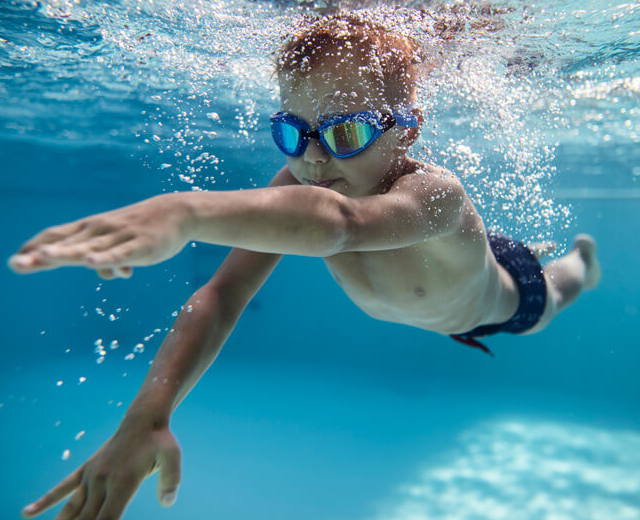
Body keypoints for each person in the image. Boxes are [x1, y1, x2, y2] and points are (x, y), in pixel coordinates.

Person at [9, 14, 600, 520]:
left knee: (555, 293)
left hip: (501, 296)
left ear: (408, 129)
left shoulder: (434, 194)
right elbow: (220, 296)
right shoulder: (304, 180)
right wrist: (148, 415)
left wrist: (184, 214)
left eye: (347, 132)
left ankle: (581, 261)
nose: (315, 156)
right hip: (436, 276)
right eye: (293, 133)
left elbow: (341, 223)